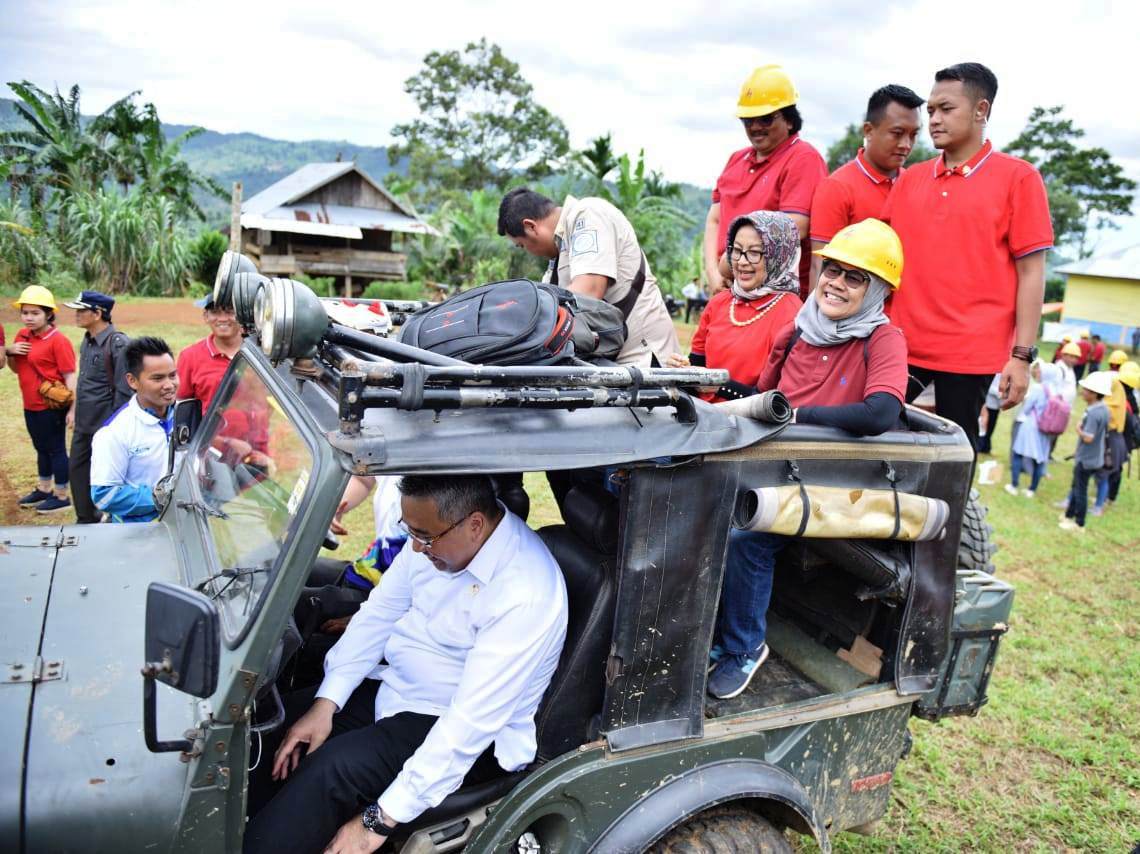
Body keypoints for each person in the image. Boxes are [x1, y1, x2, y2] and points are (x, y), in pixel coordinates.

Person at [245, 474, 568, 854]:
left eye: (425, 537)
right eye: (410, 531)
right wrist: (325, 703)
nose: (415, 548)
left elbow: (468, 726)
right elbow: (379, 613)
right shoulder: (438, 538)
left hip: (459, 725)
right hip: (400, 686)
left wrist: (375, 823)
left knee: (332, 770)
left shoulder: (524, 593)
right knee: (268, 731)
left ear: (475, 525)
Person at [708, 219, 908, 699]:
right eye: (832, 272)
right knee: (693, 498)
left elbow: (882, 410)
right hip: (778, 464)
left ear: (878, 289)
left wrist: (801, 416)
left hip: (836, 478)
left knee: (747, 534)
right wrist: (709, 384)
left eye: (854, 277)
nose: (836, 284)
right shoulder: (797, 332)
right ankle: (698, 629)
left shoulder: (882, 339)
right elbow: (765, 398)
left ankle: (743, 647)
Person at [882, 62, 1053, 450]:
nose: (934, 120)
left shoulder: (1019, 178)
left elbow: (1031, 273)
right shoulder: (910, 179)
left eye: (946, 109)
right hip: (901, 343)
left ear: (981, 111)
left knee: (952, 464)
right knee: (876, 444)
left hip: (971, 354)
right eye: (930, 111)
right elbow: (883, 260)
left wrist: (1021, 357)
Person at [497, 188, 679, 367]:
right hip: (614, 363)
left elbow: (587, 293)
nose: (529, 252)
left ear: (530, 227)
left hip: (643, 358)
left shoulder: (588, 215)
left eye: (521, 245)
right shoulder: (559, 252)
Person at [705, 65, 827, 298]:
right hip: (729, 288)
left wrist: (727, 264)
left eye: (766, 119)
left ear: (790, 120)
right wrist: (712, 272)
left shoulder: (803, 158)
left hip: (771, 296)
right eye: (748, 120)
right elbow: (714, 218)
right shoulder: (736, 159)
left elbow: (794, 226)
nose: (755, 127)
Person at [667, 211, 801, 401]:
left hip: (751, 426)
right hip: (701, 418)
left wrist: (715, 383)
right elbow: (697, 367)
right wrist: (683, 371)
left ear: (779, 255)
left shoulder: (792, 315)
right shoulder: (719, 302)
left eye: (754, 253)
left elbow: (777, 399)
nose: (742, 261)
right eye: (737, 250)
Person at [809, 84, 924, 284]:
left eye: (913, 135)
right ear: (869, 131)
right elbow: (820, 267)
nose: (906, 144)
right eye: (897, 133)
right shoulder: (837, 187)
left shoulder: (914, 184)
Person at [90, 337, 178, 523]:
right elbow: (104, 495)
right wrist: (163, 497)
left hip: (185, 526)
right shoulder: (114, 433)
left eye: (172, 375)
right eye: (157, 378)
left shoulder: (185, 414)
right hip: (139, 535)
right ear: (132, 381)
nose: (169, 385)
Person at [5, 285, 77, 514]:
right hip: (30, 403)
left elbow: (69, 375)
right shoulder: (22, 336)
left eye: (35, 313)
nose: (29, 318)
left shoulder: (59, 341)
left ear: (48, 314)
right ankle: (44, 489)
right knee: (40, 448)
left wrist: (73, 409)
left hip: (50, 406)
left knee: (55, 448)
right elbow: (17, 369)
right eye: (25, 312)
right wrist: (11, 351)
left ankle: (62, 495)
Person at [63, 290, 132, 524]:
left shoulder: (117, 343)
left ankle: (109, 517)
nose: (77, 315)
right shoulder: (88, 340)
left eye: (81, 310)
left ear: (97, 313)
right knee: (77, 469)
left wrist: (114, 427)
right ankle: (86, 517)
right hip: (84, 421)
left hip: (106, 424)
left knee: (110, 474)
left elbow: (124, 389)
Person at [1059, 372, 1111, 532]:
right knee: (1077, 486)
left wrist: (1078, 429)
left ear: (1095, 393)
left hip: (1086, 459)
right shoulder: (1104, 409)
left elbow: (1088, 438)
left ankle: (1079, 523)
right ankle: (1068, 515)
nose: (1083, 392)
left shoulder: (1094, 412)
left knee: (1080, 490)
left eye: (1086, 390)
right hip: (1094, 457)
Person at [1004, 362, 1062, 498]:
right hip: (1047, 427)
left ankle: (1014, 485)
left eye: (1040, 371)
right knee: (1040, 458)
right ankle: (1032, 489)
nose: (1037, 373)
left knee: (1018, 453)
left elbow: (1027, 407)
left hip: (1031, 425)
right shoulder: (1056, 389)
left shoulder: (1038, 388)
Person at [176, 297, 243, 413]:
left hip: (256, 431)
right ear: (206, 316)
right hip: (210, 431)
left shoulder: (260, 353)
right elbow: (181, 405)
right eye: (215, 312)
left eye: (230, 311)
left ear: (242, 315)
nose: (222, 319)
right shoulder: (189, 357)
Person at [976, 374, 1002, 455]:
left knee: (991, 427)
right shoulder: (994, 374)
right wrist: (999, 393)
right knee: (984, 426)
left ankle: (986, 447)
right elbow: (988, 386)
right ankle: (980, 446)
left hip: (996, 406)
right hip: (988, 405)